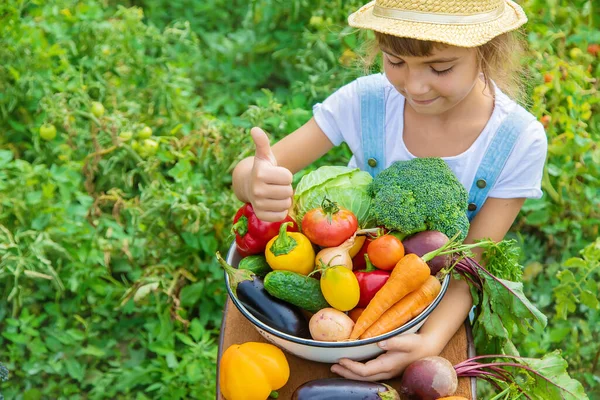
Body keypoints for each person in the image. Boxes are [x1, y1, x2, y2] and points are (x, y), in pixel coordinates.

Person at [231, 0, 547, 381]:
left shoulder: (518, 140)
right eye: (394, 61)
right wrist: (254, 180)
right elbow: (252, 170)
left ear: (488, 52)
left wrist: (430, 341)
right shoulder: (367, 101)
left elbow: (471, 263)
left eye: (440, 67)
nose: (413, 86)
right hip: (334, 273)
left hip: (433, 306)